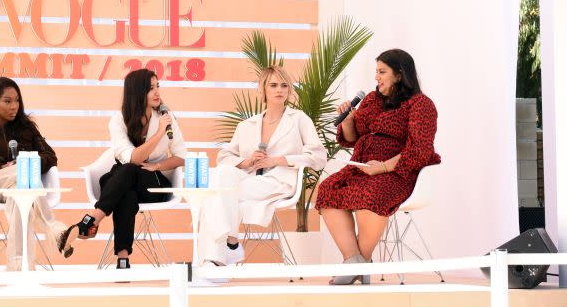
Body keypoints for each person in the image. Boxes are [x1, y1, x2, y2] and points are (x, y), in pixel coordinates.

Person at [316, 49, 441, 285]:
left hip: (397, 171)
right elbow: (352, 138)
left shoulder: (421, 104)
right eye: (376, 72)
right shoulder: (372, 100)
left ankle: (358, 263)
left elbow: (420, 149)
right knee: (328, 190)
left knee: (372, 193)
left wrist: (383, 167)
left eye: (382, 72)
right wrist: (349, 120)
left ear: (400, 74)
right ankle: (355, 262)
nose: (377, 77)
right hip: (362, 167)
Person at [198, 66, 326, 266]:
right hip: (250, 179)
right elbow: (224, 157)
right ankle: (226, 249)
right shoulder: (247, 125)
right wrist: (247, 160)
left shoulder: (299, 119)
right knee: (222, 175)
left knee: (215, 195)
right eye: (273, 85)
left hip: (279, 182)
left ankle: (221, 253)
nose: (279, 90)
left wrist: (279, 160)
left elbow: (318, 157)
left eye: (284, 85)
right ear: (263, 89)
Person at [62, 68, 186, 270]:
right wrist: (158, 135)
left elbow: (183, 157)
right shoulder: (119, 120)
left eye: (158, 86)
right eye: (150, 88)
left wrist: (158, 164)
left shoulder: (166, 118)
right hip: (125, 182)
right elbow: (133, 158)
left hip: (153, 185)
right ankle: (123, 260)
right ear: (137, 92)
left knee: (126, 172)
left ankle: (90, 221)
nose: (157, 93)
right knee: (126, 191)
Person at [0, 77, 68, 271]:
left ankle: (20, 267)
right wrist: (0, 166)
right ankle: (52, 227)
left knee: (20, 195)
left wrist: (26, 161)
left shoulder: (26, 127)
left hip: (19, 185)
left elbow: (50, 157)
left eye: (17, 100)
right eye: (7, 101)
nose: (14, 106)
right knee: (21, 173)